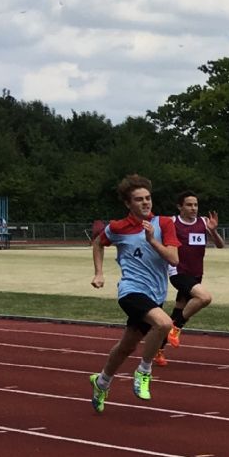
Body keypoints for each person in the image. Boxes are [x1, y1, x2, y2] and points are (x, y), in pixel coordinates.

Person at [87, 174, 179, 412]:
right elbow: (97, 243)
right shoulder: (118, 227)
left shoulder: (164, 224)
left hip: (156, 293)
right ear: (128, 204)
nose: (146, 203)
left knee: (127, 346)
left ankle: (102, 381)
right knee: (164, 323)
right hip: (131, 290)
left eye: (148, 198)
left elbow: (173, 258)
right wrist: (99, 273)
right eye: (139, 199)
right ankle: (144, 372)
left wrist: (152, 241)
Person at [160, 189, 223, 361]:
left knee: (179, 309)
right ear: (180, 207)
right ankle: (177, 328)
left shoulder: (204, 222)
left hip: (196, 274)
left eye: (195, 205)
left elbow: (220, 245)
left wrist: (214, 231)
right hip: (178, 272)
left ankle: (158, 349)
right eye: (189, 205)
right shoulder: (172, 222)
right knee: (204, 298)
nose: (193, 208)